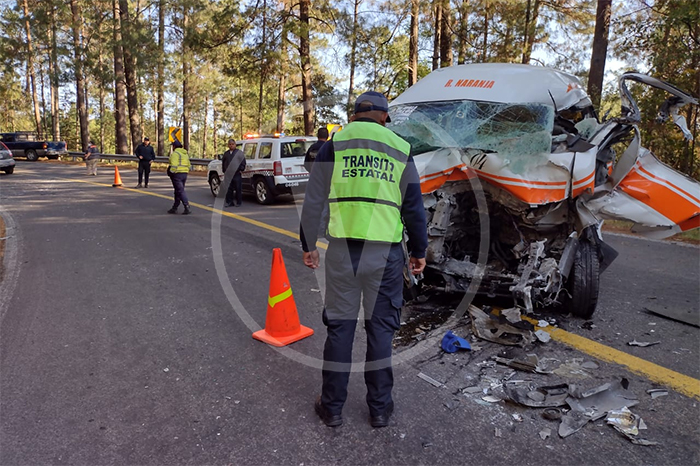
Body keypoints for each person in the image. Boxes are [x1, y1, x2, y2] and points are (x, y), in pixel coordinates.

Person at [300, 91, 428, 429]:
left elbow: (313, 199)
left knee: (340, 329)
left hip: (343, 252)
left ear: (355, 115)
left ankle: (332, 408)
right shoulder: (400, 148)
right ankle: (379, 409)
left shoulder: (334, 145)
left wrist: (308, 244)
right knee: (380, 330)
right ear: (385, 117)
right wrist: (419, 251)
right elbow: (413, 207)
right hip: (384, 255)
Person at [167, 141, 191, 215]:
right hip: (184, 173)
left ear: (174, 146)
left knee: (180, 191)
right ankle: (175, 207)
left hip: (177, 174)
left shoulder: (175, 154)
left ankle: (186, 206)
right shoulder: (185, 154)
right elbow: (189, 164)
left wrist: (171, 172)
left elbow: (174, 165)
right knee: (178, 191)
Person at [222, 139, 246, 207]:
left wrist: (241, 169)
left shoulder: (239, 153)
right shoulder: (226, 153)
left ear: (235, 145)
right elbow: (223, 162)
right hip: (228, 174)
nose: (231, 145)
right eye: (230, 144)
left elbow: (243, 162)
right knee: (229, 189)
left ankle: (239, 202)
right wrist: (224, 170)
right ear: (228, 145)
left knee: (238, 188)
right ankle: (229, 202)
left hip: (236, 173)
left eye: (233, 144)